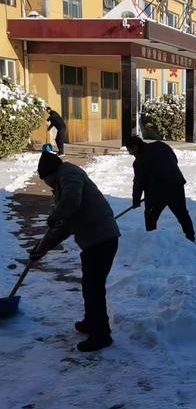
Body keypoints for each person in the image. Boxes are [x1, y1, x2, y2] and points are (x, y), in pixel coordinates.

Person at [30, 151, 120, 352]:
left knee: (94, 287)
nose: (48, 185)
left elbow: (71, 201)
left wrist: (56, 214)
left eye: (46, 180)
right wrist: (41, 248)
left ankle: (101, 335)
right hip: (95, 240)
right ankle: (91, 322)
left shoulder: (69, 175)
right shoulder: (64, 180)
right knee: (90, 285)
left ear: (51, 173)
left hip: (101, 239)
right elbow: (64, 226)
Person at [125, 136, 195, 242]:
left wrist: (136, 200)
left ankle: (152, 239)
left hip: (157, 192)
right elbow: (174, 159)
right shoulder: (160, 145)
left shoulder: (140, 161)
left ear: (135, 147)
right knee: (182, 214)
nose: (130, 153)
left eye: (129, 150)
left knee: (150, 216)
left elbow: (139, 183)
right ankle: (191, 237)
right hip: (176, 184)